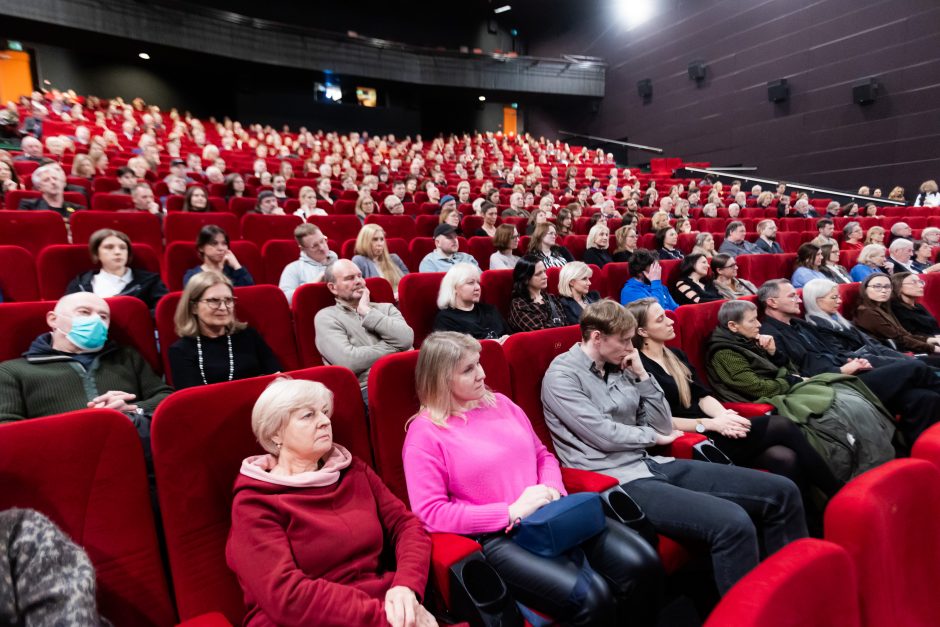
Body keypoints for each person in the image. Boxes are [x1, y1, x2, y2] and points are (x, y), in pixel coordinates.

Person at [541, 299, 806, 595]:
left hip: (653, 462)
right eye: (625, 341)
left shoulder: (624, 364)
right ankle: (748, 614)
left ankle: (795, 593)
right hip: (616, 478)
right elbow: (605, 436)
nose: (631, 348)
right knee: (733, 522)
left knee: (782, 491)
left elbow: (664, 425)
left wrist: (643, 377)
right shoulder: (561, 376)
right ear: (597, 338)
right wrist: (651, 437)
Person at [402, 332, 663, 625]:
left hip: (552, 512)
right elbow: (429, 514)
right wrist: (509, 512)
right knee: (591, 597)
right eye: (468, 369)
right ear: (440, 379)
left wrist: (551, 487)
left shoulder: (500, 403)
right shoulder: (425, 434)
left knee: (643, 563)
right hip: (501, 536)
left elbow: (542, 455)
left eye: (479, 363)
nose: (482, 374)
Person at [227, 377, 434, 627]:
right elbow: (287, 598)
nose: (325, 421)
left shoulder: (353, 471)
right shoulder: (254, 502)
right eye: (308, 416)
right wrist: (387, 619)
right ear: (275, 433)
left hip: (386, 605)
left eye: (324, 413)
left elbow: (406, 527)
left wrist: (406, 587)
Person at [626, 298, 842, 500]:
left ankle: (813, 520)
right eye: (661, 319)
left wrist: (725, 416)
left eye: (666, 315)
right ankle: (837, 494)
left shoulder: (675, 355)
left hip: (714, 426)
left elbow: (701, 395)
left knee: (784, 458)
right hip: (691, 437)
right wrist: (712, 424)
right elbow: (658, 421)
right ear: (642, 331)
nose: (671, 321)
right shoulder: (639, 368)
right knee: (783, 425)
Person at [705, 299, 896, 479]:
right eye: (752, 320)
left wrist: (774, 353)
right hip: (764, 402)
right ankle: (855, 468)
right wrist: (791, 381)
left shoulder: (748, 341)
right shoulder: (725, 352)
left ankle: (878, 456)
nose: (759, 325)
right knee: (836, 410)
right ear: (733, 326)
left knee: (845, 391)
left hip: (784, 389)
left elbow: (789, 370)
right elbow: (757, 388)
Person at [764, 278, 940, 443]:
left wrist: (853, 360)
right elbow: (794, 371)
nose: (799, 300)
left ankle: (919, 450)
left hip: (849, 371)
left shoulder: (799, 324)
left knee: (924, 398)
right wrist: (842, 370)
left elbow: (833, 351)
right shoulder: (770, 333)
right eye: (792, 296)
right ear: (772, 302)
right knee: (915, 367)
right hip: (833, 383)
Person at [0, 292, 170, 452]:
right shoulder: (11, 371)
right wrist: (80, 425)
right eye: (84, 312)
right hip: (59, 459)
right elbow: (8, 429)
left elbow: (165, 396)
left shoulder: (127, 356)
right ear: (53, 320)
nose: (96, 320)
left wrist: (134, 409)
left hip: (134, 451)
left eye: (103, 317)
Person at [315, 260, 414, 399]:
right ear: (333, 288)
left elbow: (407, 339)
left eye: (360, 276)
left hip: (412, 376)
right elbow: (349, 361)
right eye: (349, 278)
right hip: (369, 388)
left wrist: (367, 312)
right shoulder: (326, 317)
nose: (358, 281)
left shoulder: (386, 308)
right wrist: (398, 346)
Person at [169, 271, 280, 389]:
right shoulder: (181, 350)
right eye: (213, 301)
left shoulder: (249, 336)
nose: (223, 307)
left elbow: (277, 377)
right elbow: (190, 401)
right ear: (194, 307)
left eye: (228, 300)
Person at [64, 229, 167, 310]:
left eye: (123, 247)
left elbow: (163, 312)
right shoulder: (80, 283)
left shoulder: (151, 282)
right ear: (96, 253)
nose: (118, 252)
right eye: (109, 247)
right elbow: (67, 311)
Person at [853, 272, 940, 356]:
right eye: (877, 286)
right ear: (865, 289)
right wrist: (933, 348)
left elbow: (904, 334)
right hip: (891, 355)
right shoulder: (866, 312)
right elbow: (899, 339)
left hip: (903, 351)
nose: (883, 290)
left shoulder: (883, 308)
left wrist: (930, 340)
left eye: (887, 287)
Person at [433, 264, 510, 341]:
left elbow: (510, 335)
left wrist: (508, 339)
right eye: (470, 283)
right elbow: (451, 351)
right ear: (454, 288)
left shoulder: (491, 310)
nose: (477, 287)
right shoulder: (446, 319)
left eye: (478, 282)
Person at [278, 223, 337, 304]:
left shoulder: (340, 264)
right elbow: (284, 299)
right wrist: (313, 284)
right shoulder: (293, 268)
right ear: (303, 249)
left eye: (323, 240)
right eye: (314, 246)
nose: (322, 247)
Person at [508, 255, 567, 333]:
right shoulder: (519, 304)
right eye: (538, 274)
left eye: (544, 271)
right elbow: (540, 332)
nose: (545, 276)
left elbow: (566, 325)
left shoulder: (552, 298)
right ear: (525, 279)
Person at [183, 225, 254, 288]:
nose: (221, 248)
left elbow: (249, 293)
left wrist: (236, 265)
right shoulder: (193, 276)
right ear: (201, 248)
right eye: (214, 243)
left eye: (224, 244)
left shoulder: (234, 271)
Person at [352, 224, 409, 298]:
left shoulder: (394, 258)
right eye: (375, 239)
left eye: (382, 239)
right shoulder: (359, 260)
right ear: (365, 241)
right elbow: (359, 290)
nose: (380, 244)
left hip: (402, 300)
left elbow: (408, 283)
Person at [18, 164, 85, 219]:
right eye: (46, 180)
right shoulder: (28, 206)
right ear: (39, 187)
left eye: (55, 178)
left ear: (63, 183)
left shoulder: (78, 210)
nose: (53, 182)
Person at [891, 272, 940, 339]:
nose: (921, 285)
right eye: (914, 282)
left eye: (920, 282)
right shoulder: (895, 309)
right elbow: (911, 335)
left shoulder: (918, 306)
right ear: (898, 286)